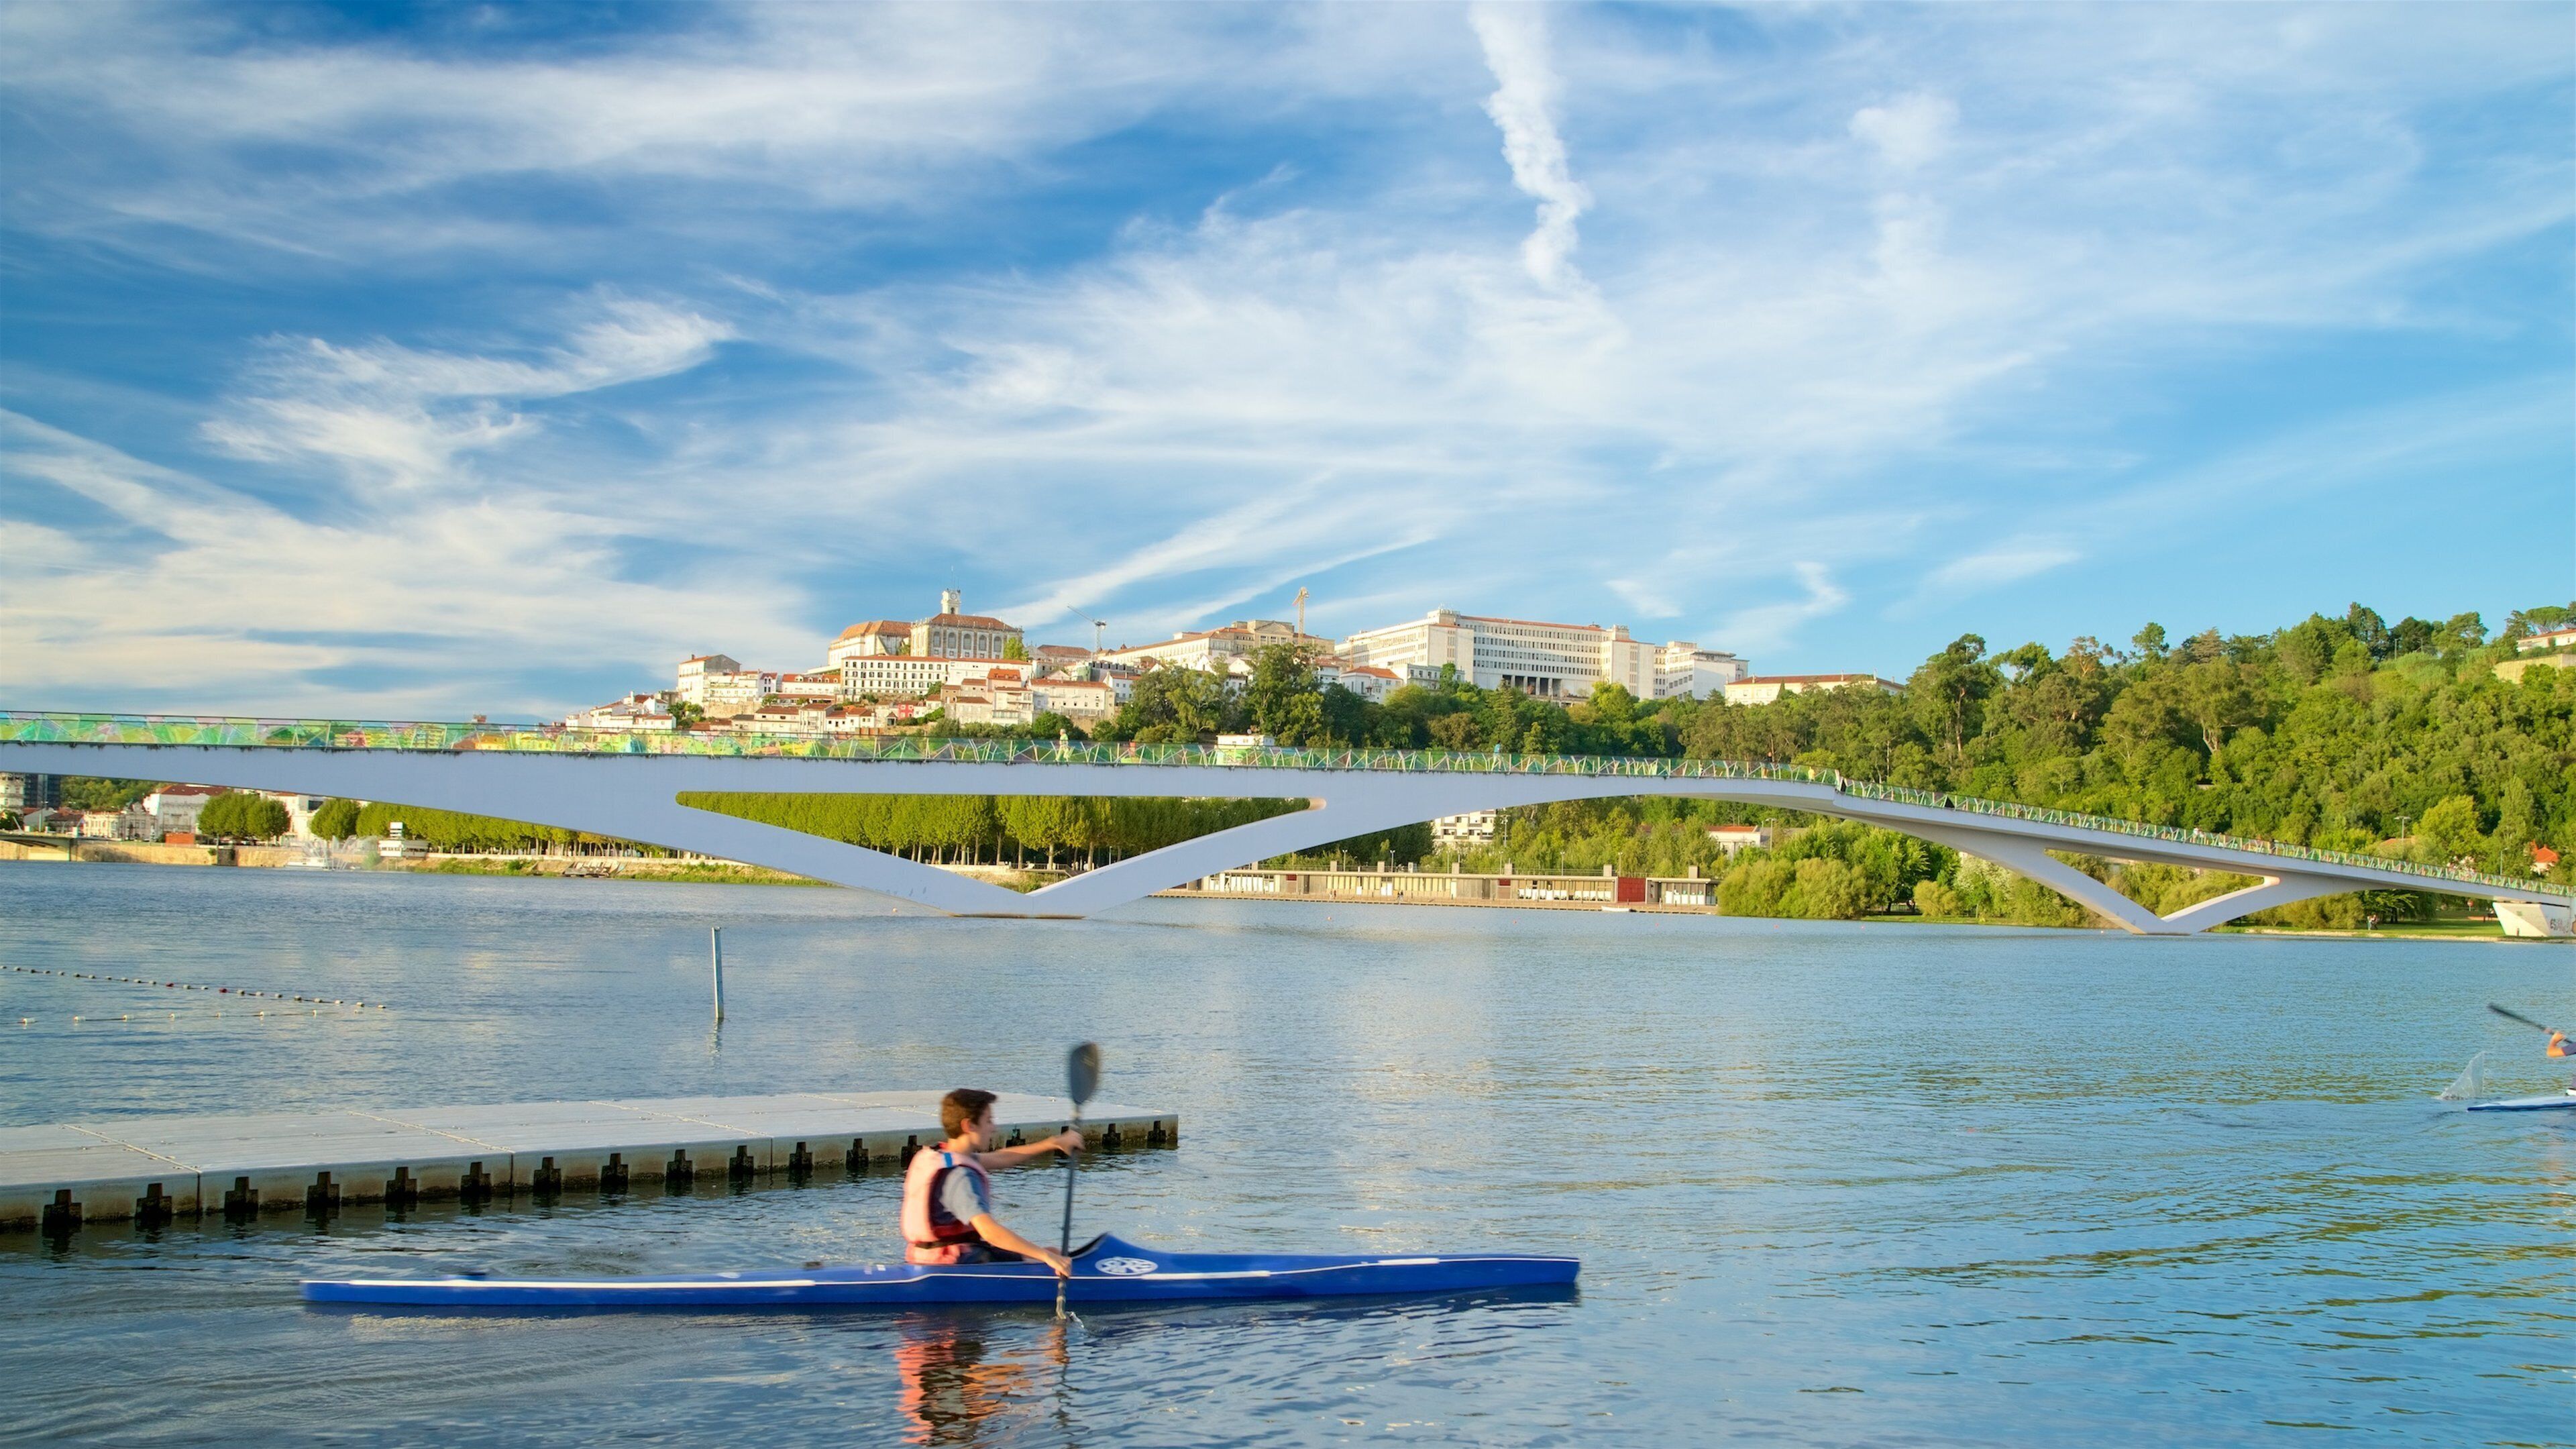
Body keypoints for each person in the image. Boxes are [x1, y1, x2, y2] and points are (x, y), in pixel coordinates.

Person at [902, 1088, 1084, 1275]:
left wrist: (1054, 1142)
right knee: (1048, 1257)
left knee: (1050, 1253)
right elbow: (989, 1232)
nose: (994, 1128)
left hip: (929, 1257)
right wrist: (1047, 1258)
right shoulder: (960, 1176)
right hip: (956, 1264)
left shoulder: (943, 1157)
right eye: (988, 1120)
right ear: (969, 1126)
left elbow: (1000, 1158)